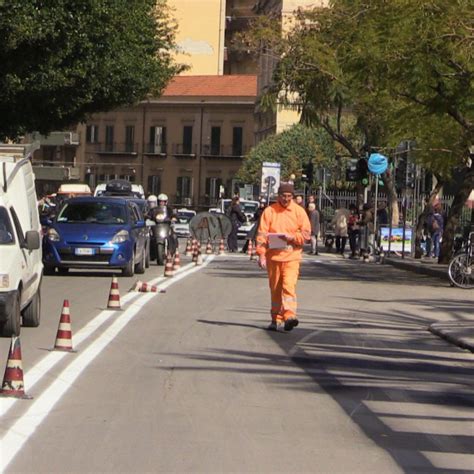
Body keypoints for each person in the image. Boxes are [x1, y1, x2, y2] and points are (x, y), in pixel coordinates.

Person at [256, 183, 311, 332]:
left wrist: (292, 237)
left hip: (292, 257)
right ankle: (275, 318)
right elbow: (261, 235)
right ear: (278, 196)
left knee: (289, 286)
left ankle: (290, 316)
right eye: (283, 196)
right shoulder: (269, 212)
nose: (286, 199)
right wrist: (261, 254)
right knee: (275, 289)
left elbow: (306, 235)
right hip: (273, 258)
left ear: (292, 197)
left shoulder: (299, 212)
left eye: (289, 197)